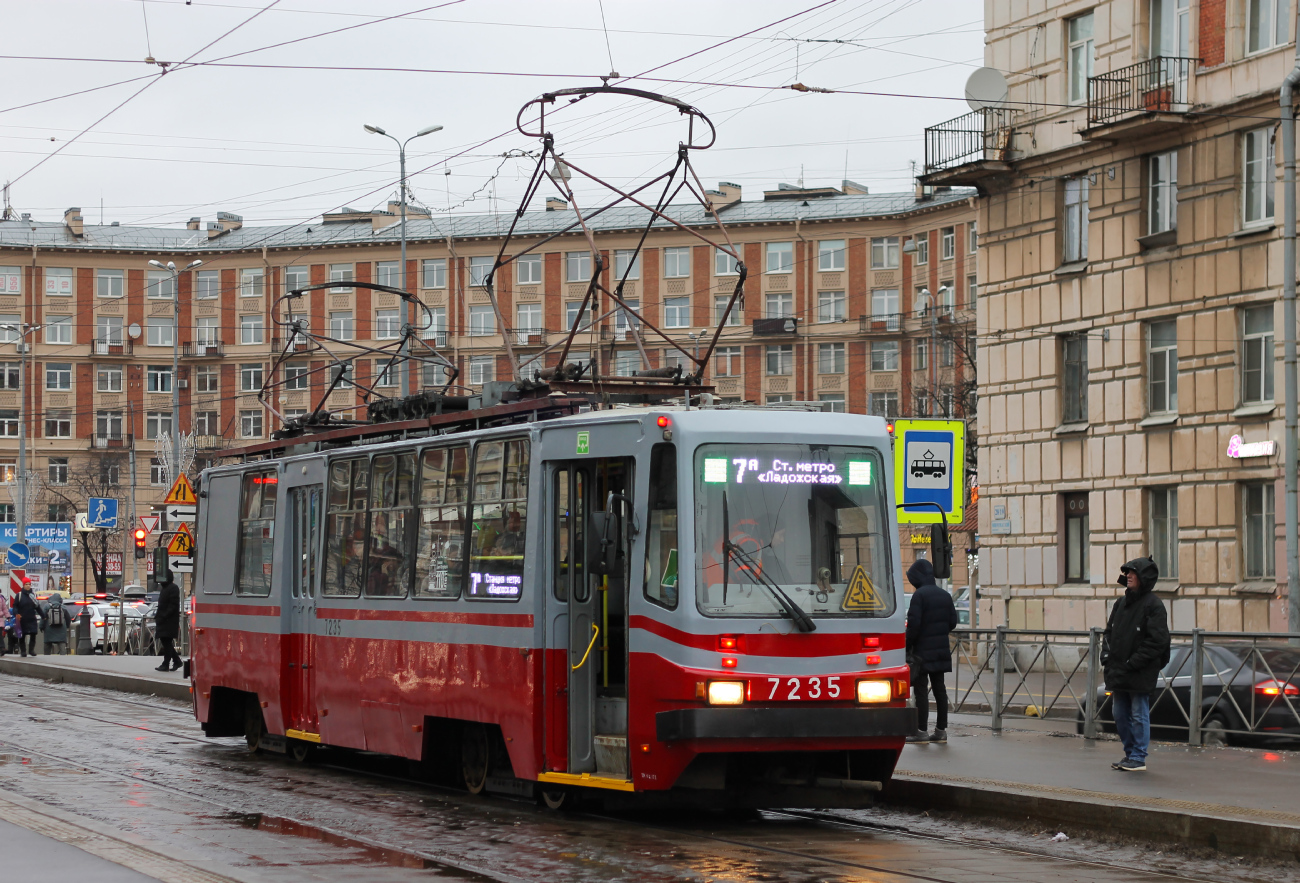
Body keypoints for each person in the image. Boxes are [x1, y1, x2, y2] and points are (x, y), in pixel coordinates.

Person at [1104, 557, 1170, 773]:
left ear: (1144, 577)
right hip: (1119, 669)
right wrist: (1106, 656)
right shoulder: (1121, 603)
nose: (1128, 576)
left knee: (1139, 714)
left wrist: (1133, 662)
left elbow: (1158, 641)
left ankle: (1138, 756)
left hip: (1139, 670)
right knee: (1119, 714)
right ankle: (1130, 753)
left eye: (1133, 573)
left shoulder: (1153, 605)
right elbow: (1109, 633)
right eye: (1127, 573)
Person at [904, 558, 958, 744]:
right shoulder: (945, 595)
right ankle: (941, 731)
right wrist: (939, 633)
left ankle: (921, 732)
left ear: (917, 578)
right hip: (941, 650)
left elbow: (914, 626)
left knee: (921, 690)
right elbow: (952, 622)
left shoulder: (919, 596)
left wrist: (907, 645)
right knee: (939, 689)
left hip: (921, 652)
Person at [155, 577, 182, 672]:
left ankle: (166, 663)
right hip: (163, 619)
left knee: (167, 642)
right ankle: (176, 661)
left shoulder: (173, 588)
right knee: (166, 642)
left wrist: (164, 615)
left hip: (169, 620)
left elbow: (173, 605)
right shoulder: (165, 588)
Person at [12, 577, 44, 658]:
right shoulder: (19, 595)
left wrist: (43, 616)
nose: (28, 586)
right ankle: (23, 651)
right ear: (23, 585)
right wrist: (16, 614)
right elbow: (15, 606)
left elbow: (37, 607)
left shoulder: (33, 595)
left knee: (33, 634)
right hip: (22, 619)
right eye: (26, 584)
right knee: (22, 636)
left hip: (32, 619)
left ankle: (31, 650)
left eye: (29, 584)